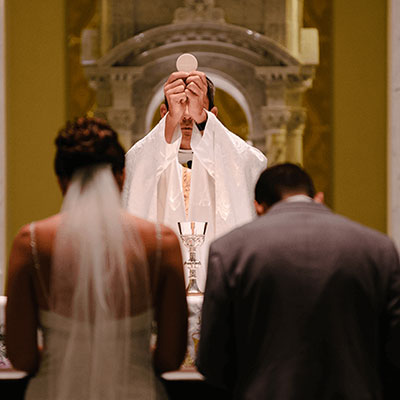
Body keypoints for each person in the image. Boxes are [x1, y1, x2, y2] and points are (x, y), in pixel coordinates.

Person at [5, 117, 188, 399]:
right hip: (135, 391)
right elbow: (171, 357)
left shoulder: (29, 242)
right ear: (122, 175)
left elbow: (22, 357)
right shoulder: (161, 242)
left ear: (62, 180)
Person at [197, 163, 400, 399]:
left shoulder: (229, 250)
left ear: (258, 207)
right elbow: (395, 349)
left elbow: (213, 360)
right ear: (319, 198)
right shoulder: (378, 248)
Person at [123, 70, 267, 290]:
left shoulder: (228, 157)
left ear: (213, 115)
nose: (187, 117)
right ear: (164, 112)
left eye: (195, 108)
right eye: (180, 107)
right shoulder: (150, 157)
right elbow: (134, 168)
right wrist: (173, 119)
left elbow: (252, 164)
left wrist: (203, 119)